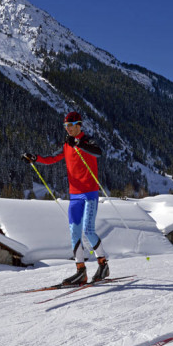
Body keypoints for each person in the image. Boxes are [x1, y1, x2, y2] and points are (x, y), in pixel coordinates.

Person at [22, 111, 110, 285]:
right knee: (74, 232)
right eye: (66, 126)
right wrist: (35, 158)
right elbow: (52, 159)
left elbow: (98, 152)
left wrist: (78, 143)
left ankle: (103, 264)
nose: (68, 129)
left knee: (89, 230)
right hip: (75, 195)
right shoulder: (66, 144)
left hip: (90, 193)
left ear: (79, 125)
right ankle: (80, 271)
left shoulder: (86, 141)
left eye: (71, 126)